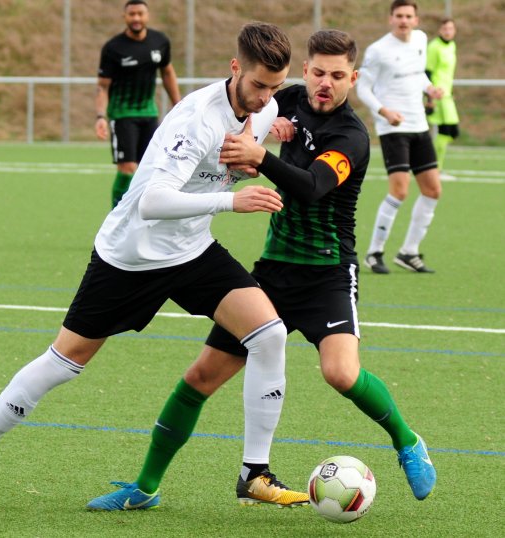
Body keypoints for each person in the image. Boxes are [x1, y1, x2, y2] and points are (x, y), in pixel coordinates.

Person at [85, 29, 436, 513]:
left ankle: (406, 441)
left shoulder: (350, 137)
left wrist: (261, 156)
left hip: (326, 274)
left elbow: (312, 186)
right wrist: (263, 134)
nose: (324, 84)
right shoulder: (283, 97)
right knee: (201, 377)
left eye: (337, 76)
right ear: (304, 71)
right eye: (317, 73)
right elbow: (241, 116)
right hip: (272, 271)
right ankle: (144, 487)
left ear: (353, 78)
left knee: (340, 373)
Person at [0, 22, 292, 514]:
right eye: (258, 85)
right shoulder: (193, 118)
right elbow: (151, 201)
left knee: (269, 334)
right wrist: (231, 202)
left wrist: (257, 152)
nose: (265, 98)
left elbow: (259, 136)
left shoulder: (269, 107)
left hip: (192, 250)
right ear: (235, 68)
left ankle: (253, 473)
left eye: (274, 88)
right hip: (130, 255)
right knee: (63, 363)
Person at [357, 0, 444, 274]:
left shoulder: (420, 39)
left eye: (409, 16)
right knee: (400, 191)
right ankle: (374, 252)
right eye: (399, 16)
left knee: (433, 190)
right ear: (390, 19)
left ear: (416, 20)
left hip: (419, 125)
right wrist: (384, 110)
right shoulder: (378, 50)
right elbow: (363, 88)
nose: (404, 20)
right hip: (393, 128)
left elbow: (417, 75)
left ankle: (409, 252)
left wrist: (430, 89)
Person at [95, 0, 181, 207]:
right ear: (125, 17)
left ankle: (139, 215)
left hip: (149, 115)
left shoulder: (159, 41)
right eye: (131, 14)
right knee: (127, 169)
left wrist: (178, 104)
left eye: (140, 14)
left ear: (147, 16)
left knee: (150, 168)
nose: (136, 18)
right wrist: (100, 117)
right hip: (122, 115)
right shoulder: (113, 48)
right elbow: (102, 87)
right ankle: (116, 218)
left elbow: (167, 71)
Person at [426, 18, 459, 181]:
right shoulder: (434, 47)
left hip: (448, 95)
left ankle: (432, 166)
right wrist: (429, 97)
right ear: (440, 30)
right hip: (438, 95)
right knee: (448, 130)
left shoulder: (452, 46)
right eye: (445, 29)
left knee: (452, 132)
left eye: (450, 29)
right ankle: (435, 169)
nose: (448, 31)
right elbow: (427, 72)